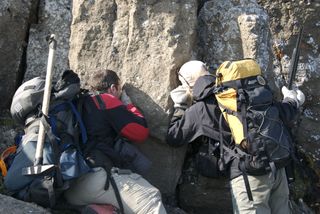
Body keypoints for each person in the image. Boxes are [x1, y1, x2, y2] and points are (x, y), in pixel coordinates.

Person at [166, 60, 305, 214]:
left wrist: (181, 106)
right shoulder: (246, 93)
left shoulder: (200, 109)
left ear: (188, 84)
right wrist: (292, 101)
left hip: (249, 175)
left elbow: (174, 137)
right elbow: (280, 113)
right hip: (278, 166)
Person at [64, 69, 167, 214]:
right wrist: (128, 104)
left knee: (117, 205)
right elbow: (140, 132)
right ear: (113, 88)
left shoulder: (78, 102)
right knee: (150, 199)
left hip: (70, 186)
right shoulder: (106, 100)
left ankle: (101, 210)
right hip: (97, 179)